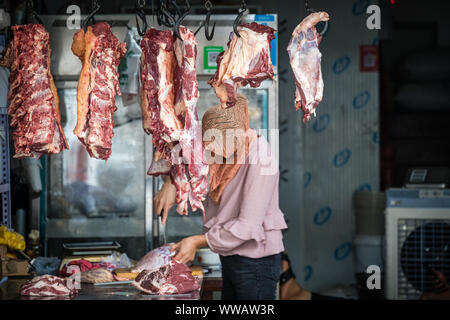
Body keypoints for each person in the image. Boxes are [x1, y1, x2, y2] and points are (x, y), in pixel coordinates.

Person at [154, 94, 288, 300]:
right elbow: (177, 147)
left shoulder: (261, 160)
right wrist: (170, 183)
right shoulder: (222, 141)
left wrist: (198, 242)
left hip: (256, 263)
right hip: (231, 255)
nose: (213, 155)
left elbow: (247, 226)